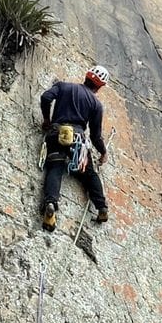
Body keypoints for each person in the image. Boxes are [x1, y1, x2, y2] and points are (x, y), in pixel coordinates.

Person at [39, 65, 110, 231]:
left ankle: (50, 205)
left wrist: (47, 120)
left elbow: (45, 97)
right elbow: (95, 136)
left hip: (57, 133)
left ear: (86, 76)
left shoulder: (63, 86)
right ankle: (102, 208)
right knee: (89, 173)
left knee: (55, 167)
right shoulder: (96, 105)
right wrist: (103, 151)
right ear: (99, 86)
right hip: (77, 140)